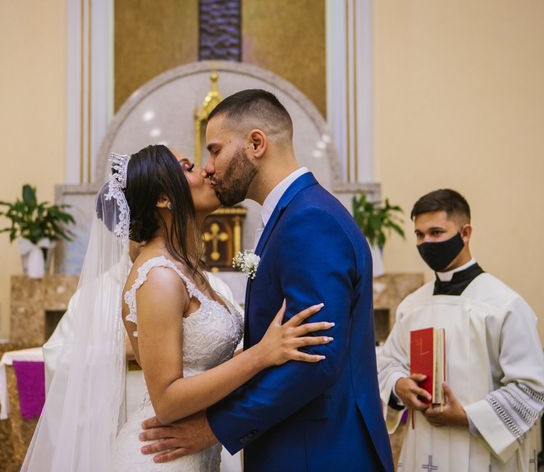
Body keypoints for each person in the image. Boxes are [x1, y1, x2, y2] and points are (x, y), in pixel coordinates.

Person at [22, 144, 332, 471]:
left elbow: (206, 365)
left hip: (194, 453)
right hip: (158, 458)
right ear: (163, 199)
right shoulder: (157, 276)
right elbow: (167, 403)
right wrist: (261, 354)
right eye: (188, 167)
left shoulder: (187, 271)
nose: (205, 171)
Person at [140, 90, 394, 471]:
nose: (209, 167)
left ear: (256, 143)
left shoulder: (309, 220)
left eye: (215, 150)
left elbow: (316, 357)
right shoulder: (294, 213)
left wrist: (213, 428)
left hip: (318, 452)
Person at [377, 189, 544, 471]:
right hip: (423, 450)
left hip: (482, 453)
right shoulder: (412, 306)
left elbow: (531, 389)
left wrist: (468, 416)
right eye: (420, 235)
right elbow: (387, 363)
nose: (426, 242)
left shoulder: (504, 305)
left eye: (436, 232)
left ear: (465, 233)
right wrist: (399, 385)